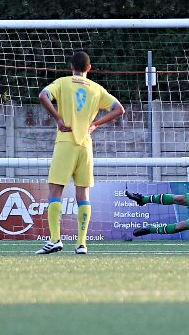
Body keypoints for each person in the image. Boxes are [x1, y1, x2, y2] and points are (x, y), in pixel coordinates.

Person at [35, 51, 125, 255]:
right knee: (83, 194)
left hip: (66, 142)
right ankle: (82, 244)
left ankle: (55, 240)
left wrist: (58, 118)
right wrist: (96, 124)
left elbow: (42, 95)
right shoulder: (96, 89)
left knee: (55, 190)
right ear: (89, 68)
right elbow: (119, 109)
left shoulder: (63, 82)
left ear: (71, 67)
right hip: (85, 145)